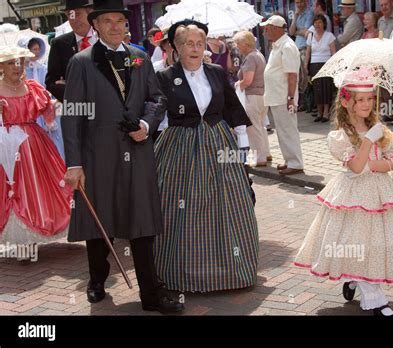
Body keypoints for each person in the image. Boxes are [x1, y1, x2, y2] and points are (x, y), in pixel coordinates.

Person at [61, 0, 184, 312]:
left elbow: (156, 98)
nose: (116, 27)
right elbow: (71, 115)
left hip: (138, 150)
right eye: (108, 21)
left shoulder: (140, 58)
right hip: (97, 154)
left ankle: (150, 294)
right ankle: (97, 280)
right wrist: (74, 163)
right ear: (96, 25)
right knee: (100, 220)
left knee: (141, 221)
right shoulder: (81, 62)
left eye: (121, 21)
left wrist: (146, 123)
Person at [154, 20, 259, 292]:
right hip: (180, 146)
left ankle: (231, 270)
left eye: (200, 43)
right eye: (189, 43)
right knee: (182, 206)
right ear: (176, 48)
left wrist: (243, 142)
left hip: (217, 140)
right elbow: (160, 113)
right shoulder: (164, 77)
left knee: (230, 202)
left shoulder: (215, 71)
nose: (195, 49)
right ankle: (184, 273)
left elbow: (232, 105)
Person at [295, 68, 393, 316]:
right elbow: (355, 167)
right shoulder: (340, 136)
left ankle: (355, 278)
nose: (367, 104)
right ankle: (376, 300)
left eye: (370, 99)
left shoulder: (380, 129)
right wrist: (367, 142)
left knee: (377, 243)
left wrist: (375, 164)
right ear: (347, 102)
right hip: (353, 196)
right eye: (360, 100)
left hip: (379, 195)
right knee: (357, 243)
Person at [0, 46, 72, 261]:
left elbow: (49, 117)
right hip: (6, 147)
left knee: (37, 188)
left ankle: (33, 234)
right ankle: (20, 243)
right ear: (1, 66)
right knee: (12, 189)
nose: (17, 66)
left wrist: (57, 105)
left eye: (20, 61)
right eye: (12, 62)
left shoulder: (32, 87)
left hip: (34, 145)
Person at [261, 15, 305, 176]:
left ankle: (295, 163)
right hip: (278, 96)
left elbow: (292, 75)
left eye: (268, 27)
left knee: (288, 130)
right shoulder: (278, 45)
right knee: (282, 130)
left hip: (284, 97)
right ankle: (290, 160)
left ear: (276, 28)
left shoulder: (287, 46)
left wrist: (290, 98)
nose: (265, 31)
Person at [46, 0, 96, 103]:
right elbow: (51, 83)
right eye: (70, 15)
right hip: (76, 110)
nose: (74, 20)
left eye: (78, 14)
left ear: (90, 14)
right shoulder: (59, 44)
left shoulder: (104, 39)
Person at [233, 30, 271, 166]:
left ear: (245, 44)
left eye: (238, 43)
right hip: (262, 95)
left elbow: (247, 81)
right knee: (261, 126)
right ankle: (265, 154)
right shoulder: (258, 55)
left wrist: (238, 84)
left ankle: (259, 158)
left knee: (253, 128)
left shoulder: (250, 57)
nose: (236, 46)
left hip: (252, 96)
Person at [305, 14, 336, 122]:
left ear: (324, 24)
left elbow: (333, 52)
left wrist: (334, 66)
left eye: (320, 22)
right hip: (314, 64)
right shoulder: (311, 36)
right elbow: (308, 53)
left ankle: (326, 112)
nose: (317, 25)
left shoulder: (329, 36)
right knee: (317, 89)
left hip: (326, 64)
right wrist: (306, 66)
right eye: (315, 22)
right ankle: (319, 112)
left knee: (326, 88)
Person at [289, 0, 314, 105]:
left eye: (300, 2)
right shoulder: (297, 15)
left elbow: (306, 32)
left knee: (305, 75)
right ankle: (301, 101)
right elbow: (291, 32)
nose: (298, 5)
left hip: (304, 46)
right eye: (297, 2)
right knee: (298, 75)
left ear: (305, 2)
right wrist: (295, 17)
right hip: (296, 47)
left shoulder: (309, 13)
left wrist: (297, 32)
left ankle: (307, 103)